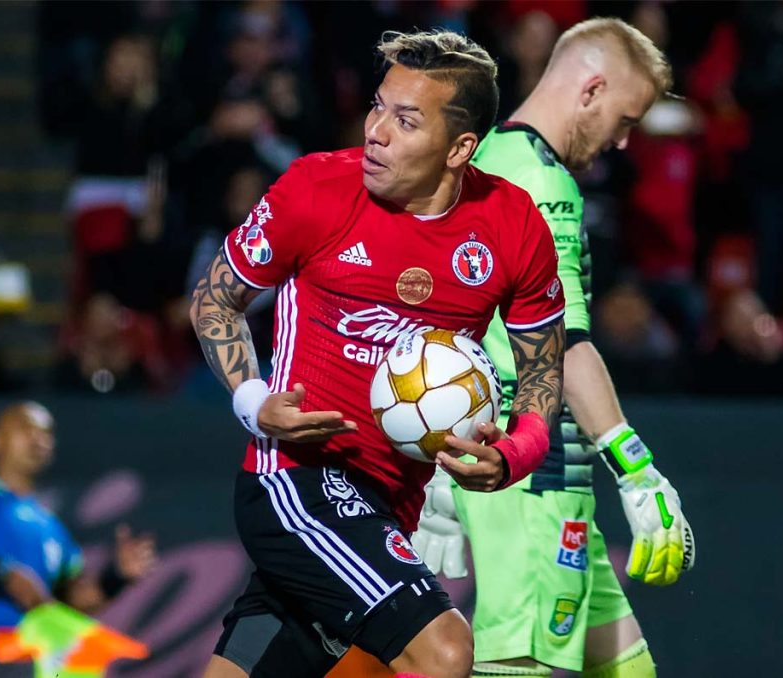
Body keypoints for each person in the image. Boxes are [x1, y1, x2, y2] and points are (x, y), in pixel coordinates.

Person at [189, 30, 566, 678]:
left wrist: (513, 456)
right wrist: (255, 404)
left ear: (460, 148)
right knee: (444, 649)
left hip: (388, 502)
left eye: (405, 120)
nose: (376, 131)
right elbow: (213, 300)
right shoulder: (315, 189)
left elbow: (541, 371)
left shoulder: (513, 225)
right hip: (295, 480)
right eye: (377, 106)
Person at [412, 18, 695, 677]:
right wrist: (637, 470)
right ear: (591, 90)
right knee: (519, 665)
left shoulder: (482, 160)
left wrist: (433, 460)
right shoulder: (544, 185)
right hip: (531, 469)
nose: (623, 141)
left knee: (626, 670)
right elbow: (562, 343)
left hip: (505, 458)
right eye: (626, 119)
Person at [0, 401, 156, 677]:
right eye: (25, 427)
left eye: (46, 432)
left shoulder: (51, 527)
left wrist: (117, 577)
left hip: (28, 663)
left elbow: (71, 599)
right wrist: (3, 572)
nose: (38, 437)